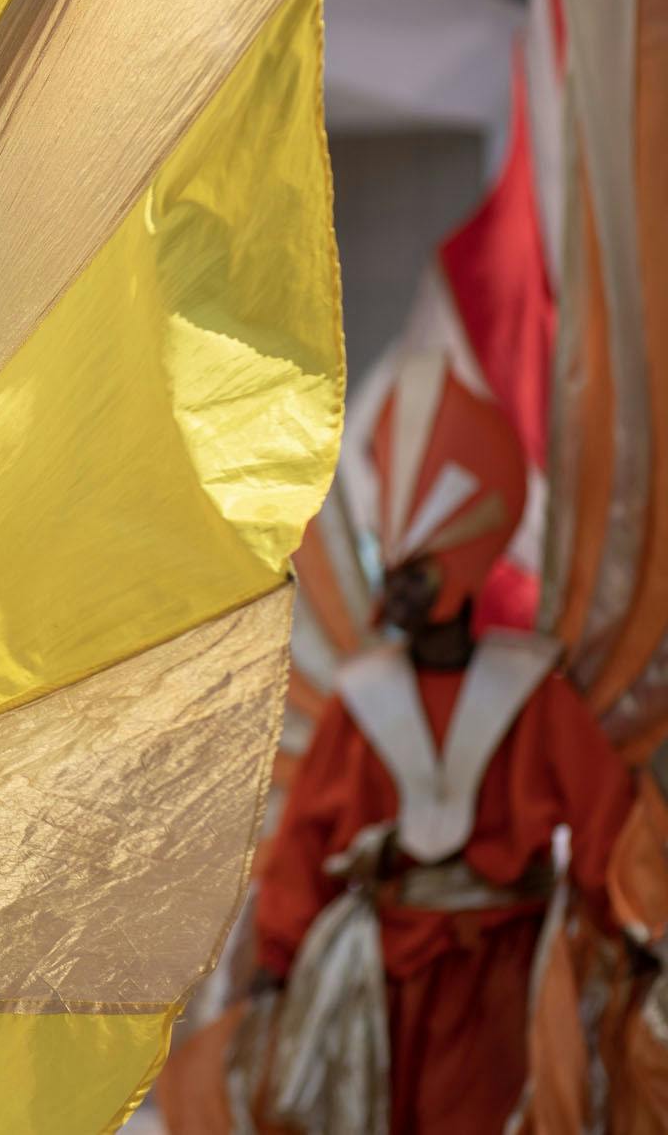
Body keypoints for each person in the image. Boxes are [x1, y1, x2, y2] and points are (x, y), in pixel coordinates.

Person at [253, 352, 633, 1134]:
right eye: (391, 568)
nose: (392, 587)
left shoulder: (537, 697)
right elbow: (303, 845)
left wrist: (639, 925)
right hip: (380, 988)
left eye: (412, 572)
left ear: (457, 570)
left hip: (506, 981)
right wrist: (279, 953)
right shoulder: (360, 705)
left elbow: (607, 829)